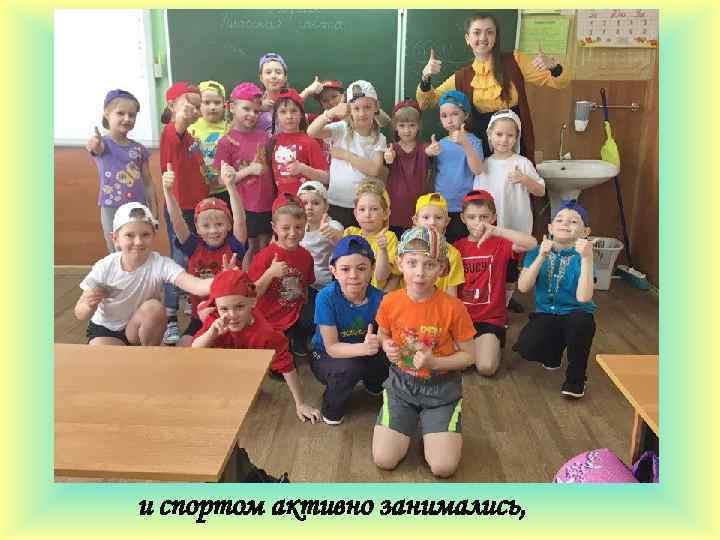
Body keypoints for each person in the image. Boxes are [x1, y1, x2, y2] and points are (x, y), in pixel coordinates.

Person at [372, 226, 475, 478]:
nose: (419, 272)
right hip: (401, 385)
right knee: (384, 459)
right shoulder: (390, 301)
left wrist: (435, 363)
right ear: (400, 263)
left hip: (442, 389)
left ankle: (433, 427)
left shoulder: (454, 308)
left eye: (429, 265)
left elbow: (469, 356)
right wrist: (386, 345)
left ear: (441, 269)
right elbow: (382, 334)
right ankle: (415, 425)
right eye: (412, 263)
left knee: (443, 467)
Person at [416, 12, 570, 160]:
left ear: (495, 37)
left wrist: (553, 67)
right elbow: (427, 102)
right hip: (482, 148)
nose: (483, 37)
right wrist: (425, 76)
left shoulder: (515, 61)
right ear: (467, 38)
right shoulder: (461, 77)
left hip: (515, 144)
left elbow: (559, 82)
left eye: (489, 32)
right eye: (477, 32)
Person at [74, 202, 214, 346]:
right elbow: (80, 313)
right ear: (115, 239)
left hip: (137, 330)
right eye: (129, 235)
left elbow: (196, 285)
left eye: (145, 235)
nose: (138, 242)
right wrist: (88, 305)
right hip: (106, 330)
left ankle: (148, 353)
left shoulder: (161, 264)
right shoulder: (105, 266)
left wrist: (225, 279)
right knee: (104, 354)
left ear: (153, 235)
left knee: (154, 308)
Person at [192, 269, 321, 423]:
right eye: (224, 309)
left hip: (246, 367)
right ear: (217, 307)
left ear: (253, 301)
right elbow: (194, 350)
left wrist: (301, 403)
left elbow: (287, 368)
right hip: (220, 369)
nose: (232, 315)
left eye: (239, 307)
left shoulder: (265, 334)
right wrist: (211, 333)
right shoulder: (215, 320)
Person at [514, 200, 597, 398]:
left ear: (585, 232)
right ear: (550, 228)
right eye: (559, 220)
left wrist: (587, 258)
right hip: (546, 313)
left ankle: (576, 379)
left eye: (573, 221)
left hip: (575, 313)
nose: (565, 223)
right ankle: (553, 352)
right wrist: (541, 255)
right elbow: (523, 287)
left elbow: (583, 297)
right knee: (527, 347)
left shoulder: (584, 256)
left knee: (582, 323)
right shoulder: (536, 251)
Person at [161, 158, 247, 347]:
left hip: (231, 316)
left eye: (219, 224)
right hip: (200, 317)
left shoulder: (233, 246)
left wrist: (231, 186)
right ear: (197, 228)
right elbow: (177, 222)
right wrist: (168, 192)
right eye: (206, 226)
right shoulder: (194, 246)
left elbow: (240, 221)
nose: (213, 230)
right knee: (183, 346)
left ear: (228, 225)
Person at [454, 190, 536, 376]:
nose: (478, 222)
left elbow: (531, 244)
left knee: (486, 368)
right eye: (472, 217)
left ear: (493, 217)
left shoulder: (500, 244)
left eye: (484, 217)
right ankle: (476, 348)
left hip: (489, 319)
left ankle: (491, 343)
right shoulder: (457, 247)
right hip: (462, 319)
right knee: (460, 365)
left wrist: (498, 231)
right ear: (463, 218)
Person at [310, 236, 389, 425]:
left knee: (389, 356)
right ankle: (331, 406)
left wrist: (379, 342)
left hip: (364, 348)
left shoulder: (380, 298)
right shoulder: (325, 297)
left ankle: (373, 383)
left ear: (372, 269)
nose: (353, 275)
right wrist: (365, 348)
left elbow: (384, 335)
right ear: (334, 271)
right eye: (345, 269)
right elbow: (331, 347)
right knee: (349, 368)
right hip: (325, 354)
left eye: (361, 268)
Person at [473, 109, 545, 313]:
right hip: (491, 227)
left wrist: (525, 179)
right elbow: (477, 196)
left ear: (516, 137)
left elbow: (540, 190)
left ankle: (505, 302)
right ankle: (492, 300)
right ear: (490, 135)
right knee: (493, 266)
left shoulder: (522, 163)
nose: (504, 140)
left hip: (515, 227)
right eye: (499, 134)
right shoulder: (485, 165)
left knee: (511, 269)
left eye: (510, 135)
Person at [159, 81, 208, 345]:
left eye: (198, 106)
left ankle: (190, 302)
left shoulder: (188, 136)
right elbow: (177, 125)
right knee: (177, 262)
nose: (195, 110)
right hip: (180, 209)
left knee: (191, 259)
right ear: (171, 105)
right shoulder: (171, 132)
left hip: (195, 207)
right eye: (190, 104)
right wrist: (181, 116)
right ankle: (170, 317)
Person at [307, 80, 387, 228]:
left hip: (364, 207)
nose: (362, 113)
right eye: (356, 108)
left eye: (367, 107)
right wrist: (330, 113)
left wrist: (346, 155)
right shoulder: (341, 129)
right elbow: (312, 132)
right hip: (336, 202)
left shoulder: (379, 138)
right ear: (349, 109)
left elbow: (374, 170)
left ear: (376, 107)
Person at [214, 82, 275, 272]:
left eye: (256, 111)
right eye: (246, 109)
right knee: (248, 248)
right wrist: (248, 171)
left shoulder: (264, 137)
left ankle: (262, 283)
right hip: (245, 206)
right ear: (232, 107)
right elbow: (220, 180)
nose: (252, 114)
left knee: (265, 246)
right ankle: (246, 284)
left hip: (267, 202)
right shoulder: (226, 142)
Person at [87, 89, 157, 254]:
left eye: (132, 115)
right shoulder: (103, 144)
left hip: (137, 206)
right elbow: (95, 148)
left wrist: (154, 211)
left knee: (138, 246)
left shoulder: (139, 149)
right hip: (111, 206)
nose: (127, 118)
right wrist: (94, 143)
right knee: (116, 249)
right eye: (120, 113)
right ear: (107, 114)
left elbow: (148, 182)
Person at [247, 192, 315, 359]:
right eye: (286, 228)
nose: (292, 233)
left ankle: (297, 335)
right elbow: (252, 295)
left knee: (316, 312)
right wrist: (270, 273)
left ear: (305, 225)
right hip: (270, 316)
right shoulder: (263, 257)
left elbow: (306, 286)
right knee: (277, 356)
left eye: (298, 227)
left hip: (295, 310)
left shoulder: (306, 256)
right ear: (274, 227)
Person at [433, 91, 485, 243]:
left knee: (464, 246)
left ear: (466, 115)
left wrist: (465, 143)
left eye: (454, 114)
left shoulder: (473, 142)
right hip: (442, 206)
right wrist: (428, 152)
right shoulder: (440, 144)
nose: (449, 120)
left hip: (466, 207)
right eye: (444, 116)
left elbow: (477, 170)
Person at [383, 99, 438, 236]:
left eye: (412, 125)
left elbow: (429, 152)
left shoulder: (424, 148)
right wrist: (388, 159)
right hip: (395, 211)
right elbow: (386, 163)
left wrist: (432, 151)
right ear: (395, 127)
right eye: (402, 125)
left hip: (419, 213)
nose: (407, 130)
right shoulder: (392, 149)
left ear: (418, 126)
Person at [268, 88, 329, 195]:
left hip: (305, 202)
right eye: (283, 112)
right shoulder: (272, 142)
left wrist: (303, 169)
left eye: (294, 111)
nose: (289, 116)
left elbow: (326, 178)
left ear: (301, 114)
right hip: (282, 203)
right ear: (276, 116)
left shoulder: (310, 142)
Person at [343, 179, 401, 291]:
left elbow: (381, 277)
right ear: (355, 213)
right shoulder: (350, 233)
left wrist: (383, 250)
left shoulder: (389, 237)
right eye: (362, 209)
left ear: (386, 213)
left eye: (374, 209)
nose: (367, 214)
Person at [256, 53, 329, 134]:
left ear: (285, 77)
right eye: (268, 72)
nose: (273, 76)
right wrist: (258, 107)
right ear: (261, 77)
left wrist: (308, 91)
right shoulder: (254, 100)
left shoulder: (291, 96)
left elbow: (293, 103)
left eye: (278, 72)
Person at [412, 192, 464, 296]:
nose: (432, 222)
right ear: (415, 220)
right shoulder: (407, 249)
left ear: (447, 221)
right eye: (426, 217)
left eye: (438, 218)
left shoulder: (453, 254)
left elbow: (452, 295)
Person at [298, 180, 343, 294]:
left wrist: (333, 234)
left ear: (326, 206)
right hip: (303, 284)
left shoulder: (332, 225)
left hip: (327, 285)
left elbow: (342, 241)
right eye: (304, 203)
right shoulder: (298, 227)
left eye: (315, 203)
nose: (309, 207)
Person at [189, 80, 229, 204]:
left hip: (224, 189)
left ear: (224, 105)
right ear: (198, 105)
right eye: (206, 102)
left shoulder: (229, 128)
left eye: (217, 102)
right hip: (199, 189)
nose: (212, 107)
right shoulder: (191, 127)